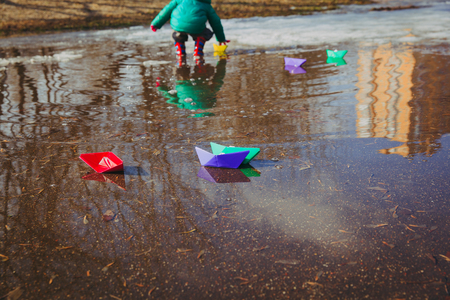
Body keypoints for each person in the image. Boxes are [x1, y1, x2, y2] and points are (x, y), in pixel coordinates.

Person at [150, 0, 230, 61]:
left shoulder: (178, 0)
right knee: (205, 33)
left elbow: (166, 11)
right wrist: (221, 39)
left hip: (178, 25)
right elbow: (216, 23)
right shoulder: (206, 5)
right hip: (197, 26)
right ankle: (198, 50)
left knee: (177, 33)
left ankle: (180, 51)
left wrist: (156, 23)